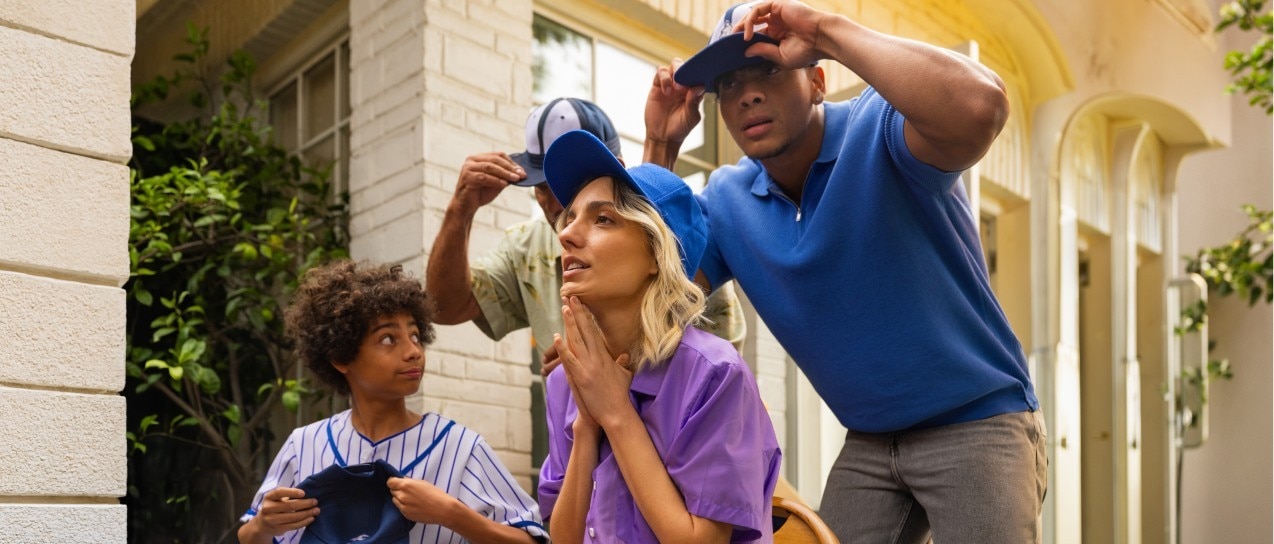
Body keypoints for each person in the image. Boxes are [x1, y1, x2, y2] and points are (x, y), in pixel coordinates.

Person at [644, 1, 1046, 542]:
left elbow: (982, 107)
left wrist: (825, 30)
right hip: (871, 440)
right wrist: (661, 146)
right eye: (729, 86)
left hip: (977, 421)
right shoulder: (726, 201)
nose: (747, 96)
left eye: (765, 69)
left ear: (816, 80)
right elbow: (649, 298)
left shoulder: (880, 130)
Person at [536, 130, 781, 543]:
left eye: (603, 219)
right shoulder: (566, 381)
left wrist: (615, 412)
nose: (567, 235)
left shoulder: (714, 376)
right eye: (570, 217)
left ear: (657, 253)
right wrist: (585, 430)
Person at [425, 97, 745, 377]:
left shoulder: (685, 244)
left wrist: (598, 362)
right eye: (541, 188)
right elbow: (442, 309)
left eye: (566, 186)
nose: (555, 210)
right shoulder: (526, 246)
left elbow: (714, 377)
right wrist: (460, 209)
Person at [237, 261, 546, 544]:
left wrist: (452, 514)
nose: (414, 351)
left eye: (415, 335)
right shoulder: (303, 445)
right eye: (388, 339)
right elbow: (249, 535)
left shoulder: (460, 448)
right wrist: (264, 525)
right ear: (341, 357)